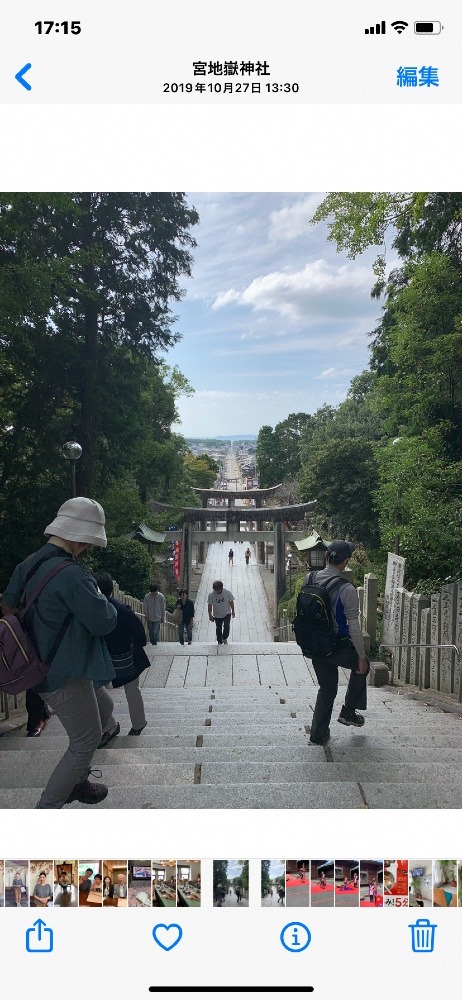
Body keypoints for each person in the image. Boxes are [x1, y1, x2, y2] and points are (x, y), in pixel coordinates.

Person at [1, 497, 117, 808]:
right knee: (85, 740)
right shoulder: (73, 575)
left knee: (104, 708)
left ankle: (77, 779)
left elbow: (9, 603)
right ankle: (48, 807)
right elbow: (104, 621)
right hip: (59, 670)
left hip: (37, 660)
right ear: (80, 539)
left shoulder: (30, 562)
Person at [306, 540, 370, 746]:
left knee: (327, 688)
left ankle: (318, 734)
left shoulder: (310, 577)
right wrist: (360, 656)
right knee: (363, 667)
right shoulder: (347, 589)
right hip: (336, 646)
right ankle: (349, 711)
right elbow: (354, 627)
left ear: (326, 557)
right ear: (346, 562)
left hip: (314, 645)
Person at [94, 572, 149, 736]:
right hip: (127, 657)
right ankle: (138, 724)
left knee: (97, 690)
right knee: (132, 691)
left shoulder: (90, 611)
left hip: (103, 658)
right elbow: (139, 632)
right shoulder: (122, 609)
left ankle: (107, 725)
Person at [208, 580, 235, 645]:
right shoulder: (211, 595)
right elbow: (210, 605)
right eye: (216, 590)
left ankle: (225, 638)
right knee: (218, 628)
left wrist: (233, 611)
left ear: (221, 588)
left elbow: (231, 602)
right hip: (217, 614)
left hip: (227, 613)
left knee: (226, 626)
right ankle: (219, 640)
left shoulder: (227, 592)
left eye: (218, 589)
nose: (217, 591)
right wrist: (210, 615)